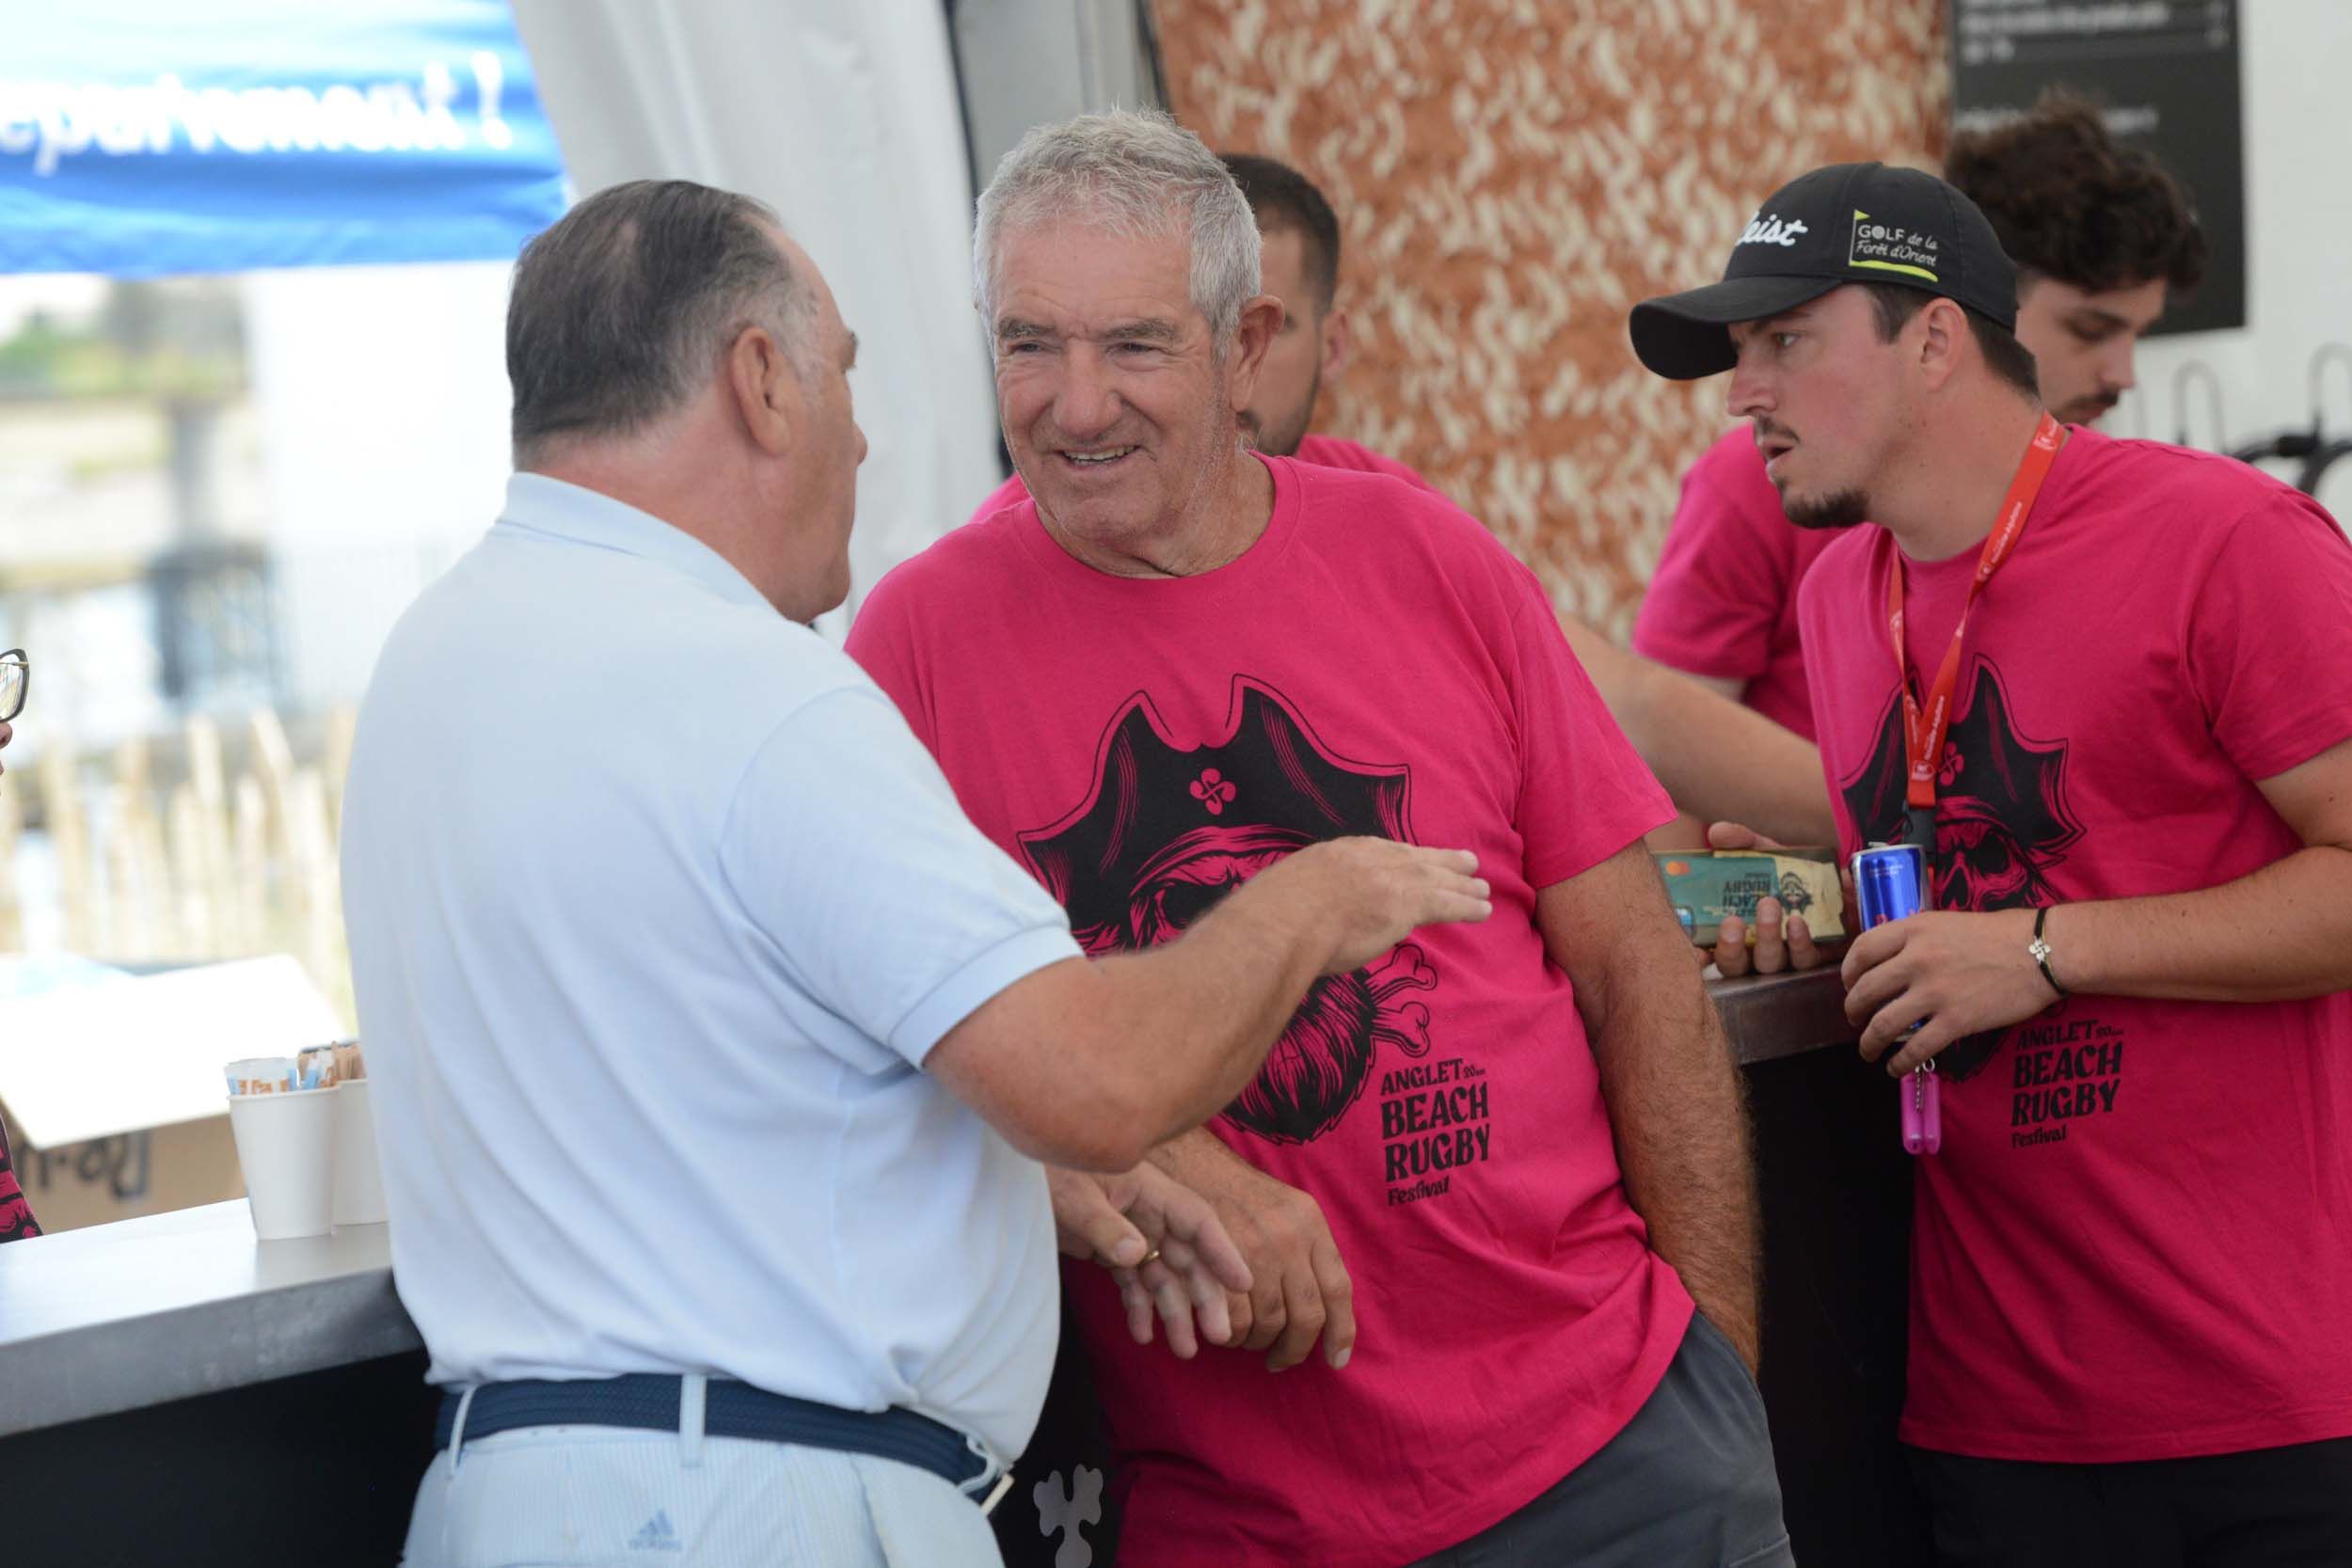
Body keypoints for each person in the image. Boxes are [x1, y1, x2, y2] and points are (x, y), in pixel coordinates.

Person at [338, 178, 1489, 1568]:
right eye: (844, 372)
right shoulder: (752, 692)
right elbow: (1095, 1081)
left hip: (517, 1498)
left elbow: (692, 1079)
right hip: (751, 1507)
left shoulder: (429, 664)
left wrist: (1013, 1181)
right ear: (762, 381)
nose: (865, 435)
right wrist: (1309, 902)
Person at [849, 110, 1788, 1568]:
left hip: (1621, 1449)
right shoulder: (914, 646)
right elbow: (876, 1049)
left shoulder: (1429, 557)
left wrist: (1712, 1370)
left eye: (1135, 346)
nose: (1077, 405)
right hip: (1242, 1515)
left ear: (1247, 345)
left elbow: (1638, 970)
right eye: (1030, 344)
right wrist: (1158, 1150)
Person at [1632, 160, 2352, 1566]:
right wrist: (1811, 905)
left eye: (1786, 341)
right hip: (1991, 1413)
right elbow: (1978, 875)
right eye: (1738, 352)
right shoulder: (1840, 593)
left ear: (1935, 340)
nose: (1741, 394)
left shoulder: (2224, 539)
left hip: (2259, 1396)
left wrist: (2041, 951)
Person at [966, 150, 1833, 967]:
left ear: (1319, 341)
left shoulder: (1388, 510)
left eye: (1256, 329)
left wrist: (1879, 830)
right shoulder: (991, 579)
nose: (1230, 367)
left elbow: (1624, 703)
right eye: (1161, 337)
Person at [1633, 90, 2208, 743]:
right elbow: (1663, 754)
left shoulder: (2183, 522)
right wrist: (1866, 803)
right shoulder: (1758, 488)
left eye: (2137, 334)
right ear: (1966, 317)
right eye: (2090, 329)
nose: (2123, 373)